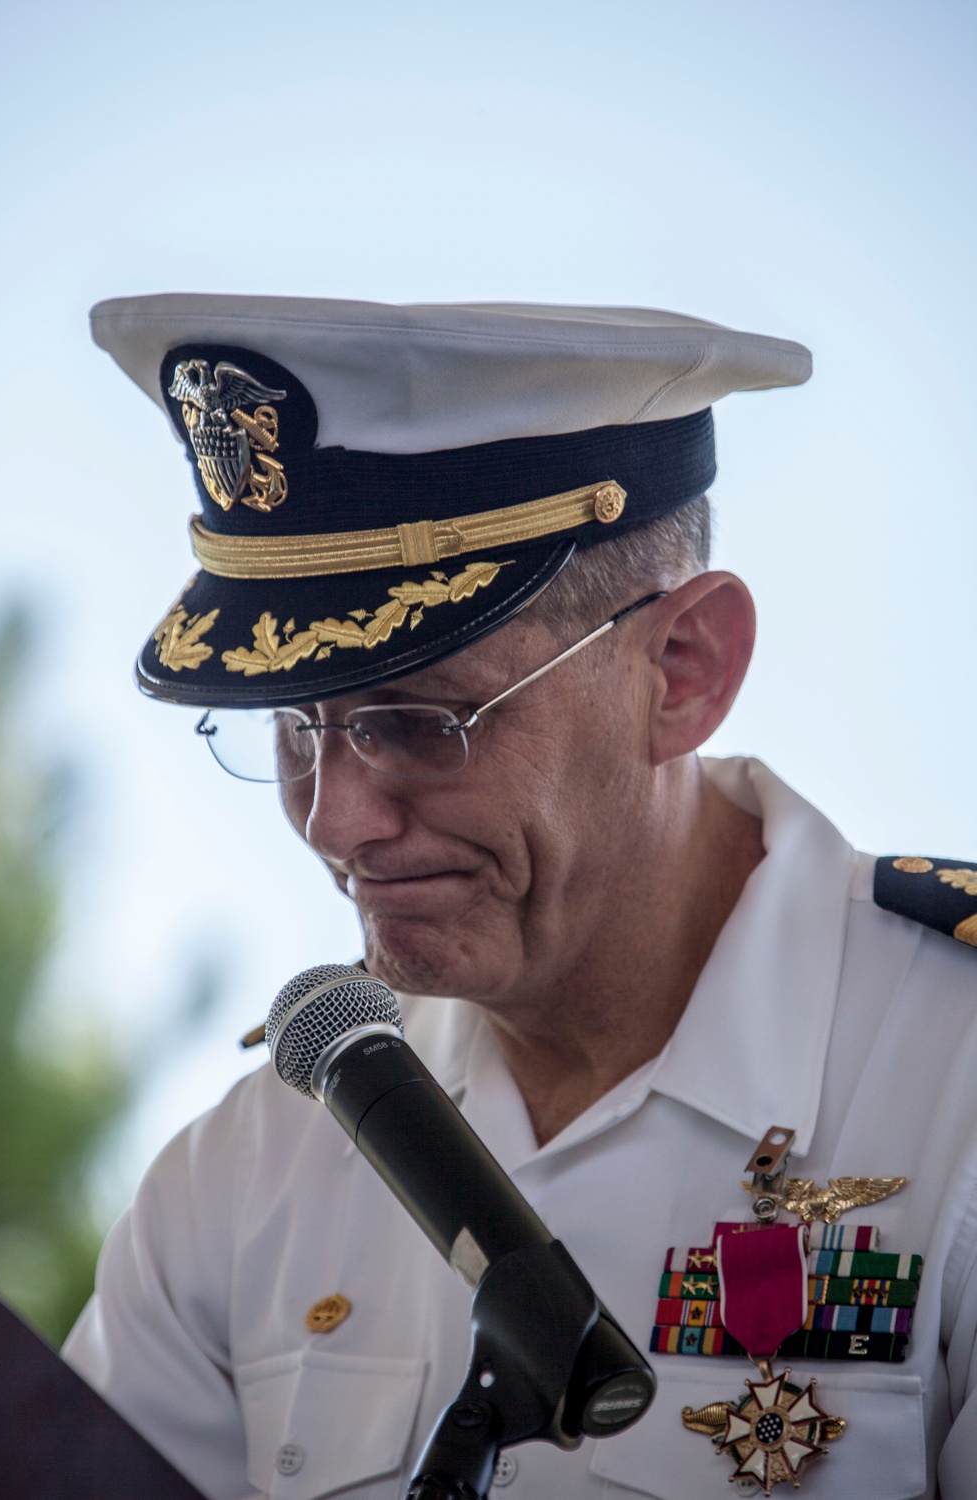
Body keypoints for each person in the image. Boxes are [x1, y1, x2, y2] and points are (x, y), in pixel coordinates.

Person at [64, 296, 977, 1500]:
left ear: (683, 672)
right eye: (294, 725)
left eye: (418, 722)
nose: (335, 823)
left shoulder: (950, 1090)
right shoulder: (250, 1172)